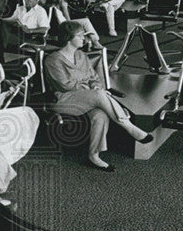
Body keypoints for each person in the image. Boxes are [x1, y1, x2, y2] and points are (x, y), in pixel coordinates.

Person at [44, 21, 153, 170]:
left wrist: (94, 86)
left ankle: (94, 155)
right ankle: (128, 126)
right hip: (64, 100)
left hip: (86, 99)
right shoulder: (53, 60)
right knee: (99, 95)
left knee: (100, 115)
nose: (84, 38)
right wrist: (92, 89)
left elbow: (94, 77)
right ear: (68, 38)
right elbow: (65, 85)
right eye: (80, 35)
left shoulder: (81, 55)